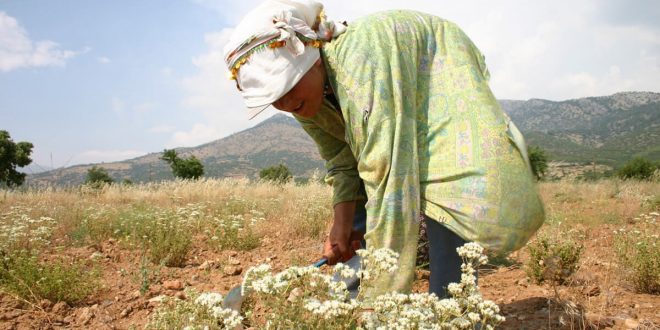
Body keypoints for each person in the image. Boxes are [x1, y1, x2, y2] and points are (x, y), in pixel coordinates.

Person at [223, 0, 545, 299]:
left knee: (444, 201)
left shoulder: (358, 68)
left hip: (437, 69)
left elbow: (390, 178)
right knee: (363, 204)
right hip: (389, 104)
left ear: (311, 57)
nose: (286, 102)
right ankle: (350, 298)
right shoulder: (306, 102)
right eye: (274, 98)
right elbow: (341, 160)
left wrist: (381, 299)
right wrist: (341, 225)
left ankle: (448, 310)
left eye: (289, 86)